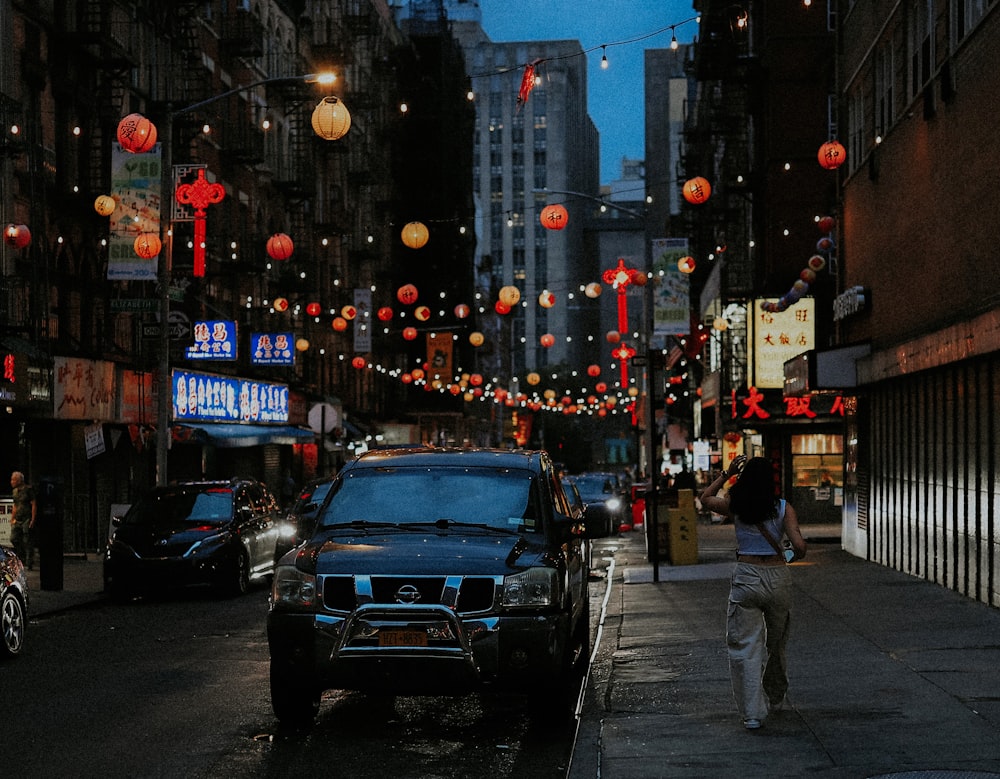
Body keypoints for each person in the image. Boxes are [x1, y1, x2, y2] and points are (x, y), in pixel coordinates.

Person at [699, 454, 807, 730]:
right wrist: (788, 557)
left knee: (744, 646)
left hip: (747, 576)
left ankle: (752, 714)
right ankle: (776, 694)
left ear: (744, 479)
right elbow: (799, 546)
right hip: (778, 577)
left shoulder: (737, 505)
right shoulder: (783, 507)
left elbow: (705, 498)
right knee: (777, 641)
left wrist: (727, 473)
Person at [10, 471, 37, 569]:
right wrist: (12, 518)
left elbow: (33, 504)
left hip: (27, 518)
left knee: (27, 540)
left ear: (19, 480)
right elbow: (15, 505)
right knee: (14, 538)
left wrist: (33, 519)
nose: (11, 482)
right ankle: (22, 557)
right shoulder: (15, 491)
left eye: (14, 480)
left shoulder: (28, 490)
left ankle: (29, 561)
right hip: (18, 519)